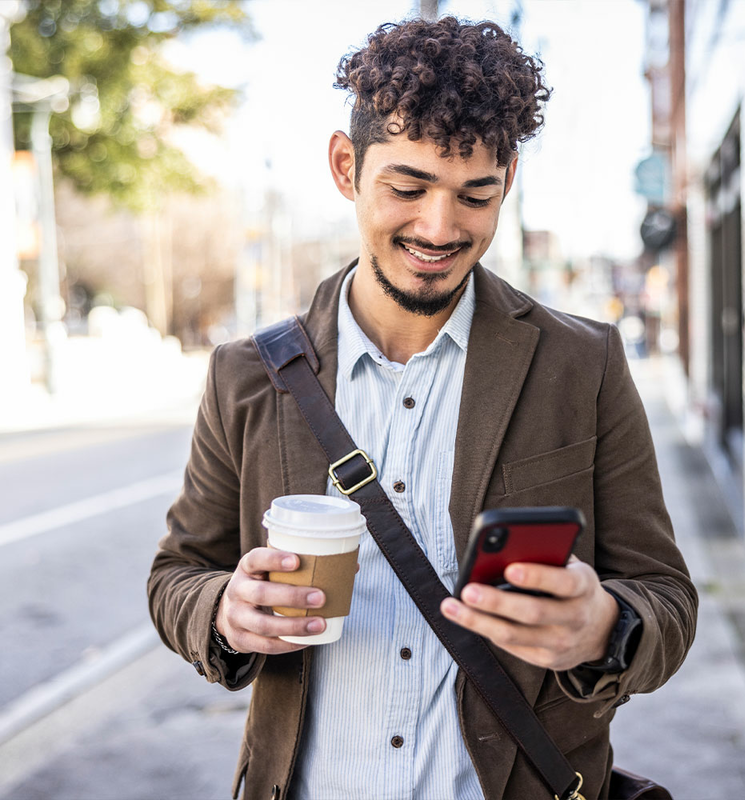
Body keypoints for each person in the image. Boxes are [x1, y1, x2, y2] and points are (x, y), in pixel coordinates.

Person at [148, 16, 697, 800]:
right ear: (346, 166)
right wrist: (224, 611)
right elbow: (177, 575)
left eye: (475, 194)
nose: (439, 228)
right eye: (406, 187)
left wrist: (607, 628)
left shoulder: (586, 366)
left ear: (508, 178)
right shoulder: (247, 375)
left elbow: (667, 600)